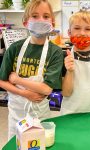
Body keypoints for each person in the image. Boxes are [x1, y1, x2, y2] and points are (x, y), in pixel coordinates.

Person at [0, 0, 63, 139]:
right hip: (16, 116)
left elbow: (46, 89)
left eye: (46, 16)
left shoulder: (56, 52)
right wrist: (26, 94)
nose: (41, 20)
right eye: (35, 16)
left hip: (40, 116)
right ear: (25, 22)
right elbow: (2, 81)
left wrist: (17, 79)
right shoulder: (14, 48)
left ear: (52, 23)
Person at [60, 10, 90, 115]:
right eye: (77, 28)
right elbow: (66, 93)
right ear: (69, 32)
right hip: (70, 113)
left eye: (87, 29)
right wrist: (69, 71)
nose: (82, 33)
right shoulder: (65, 56)